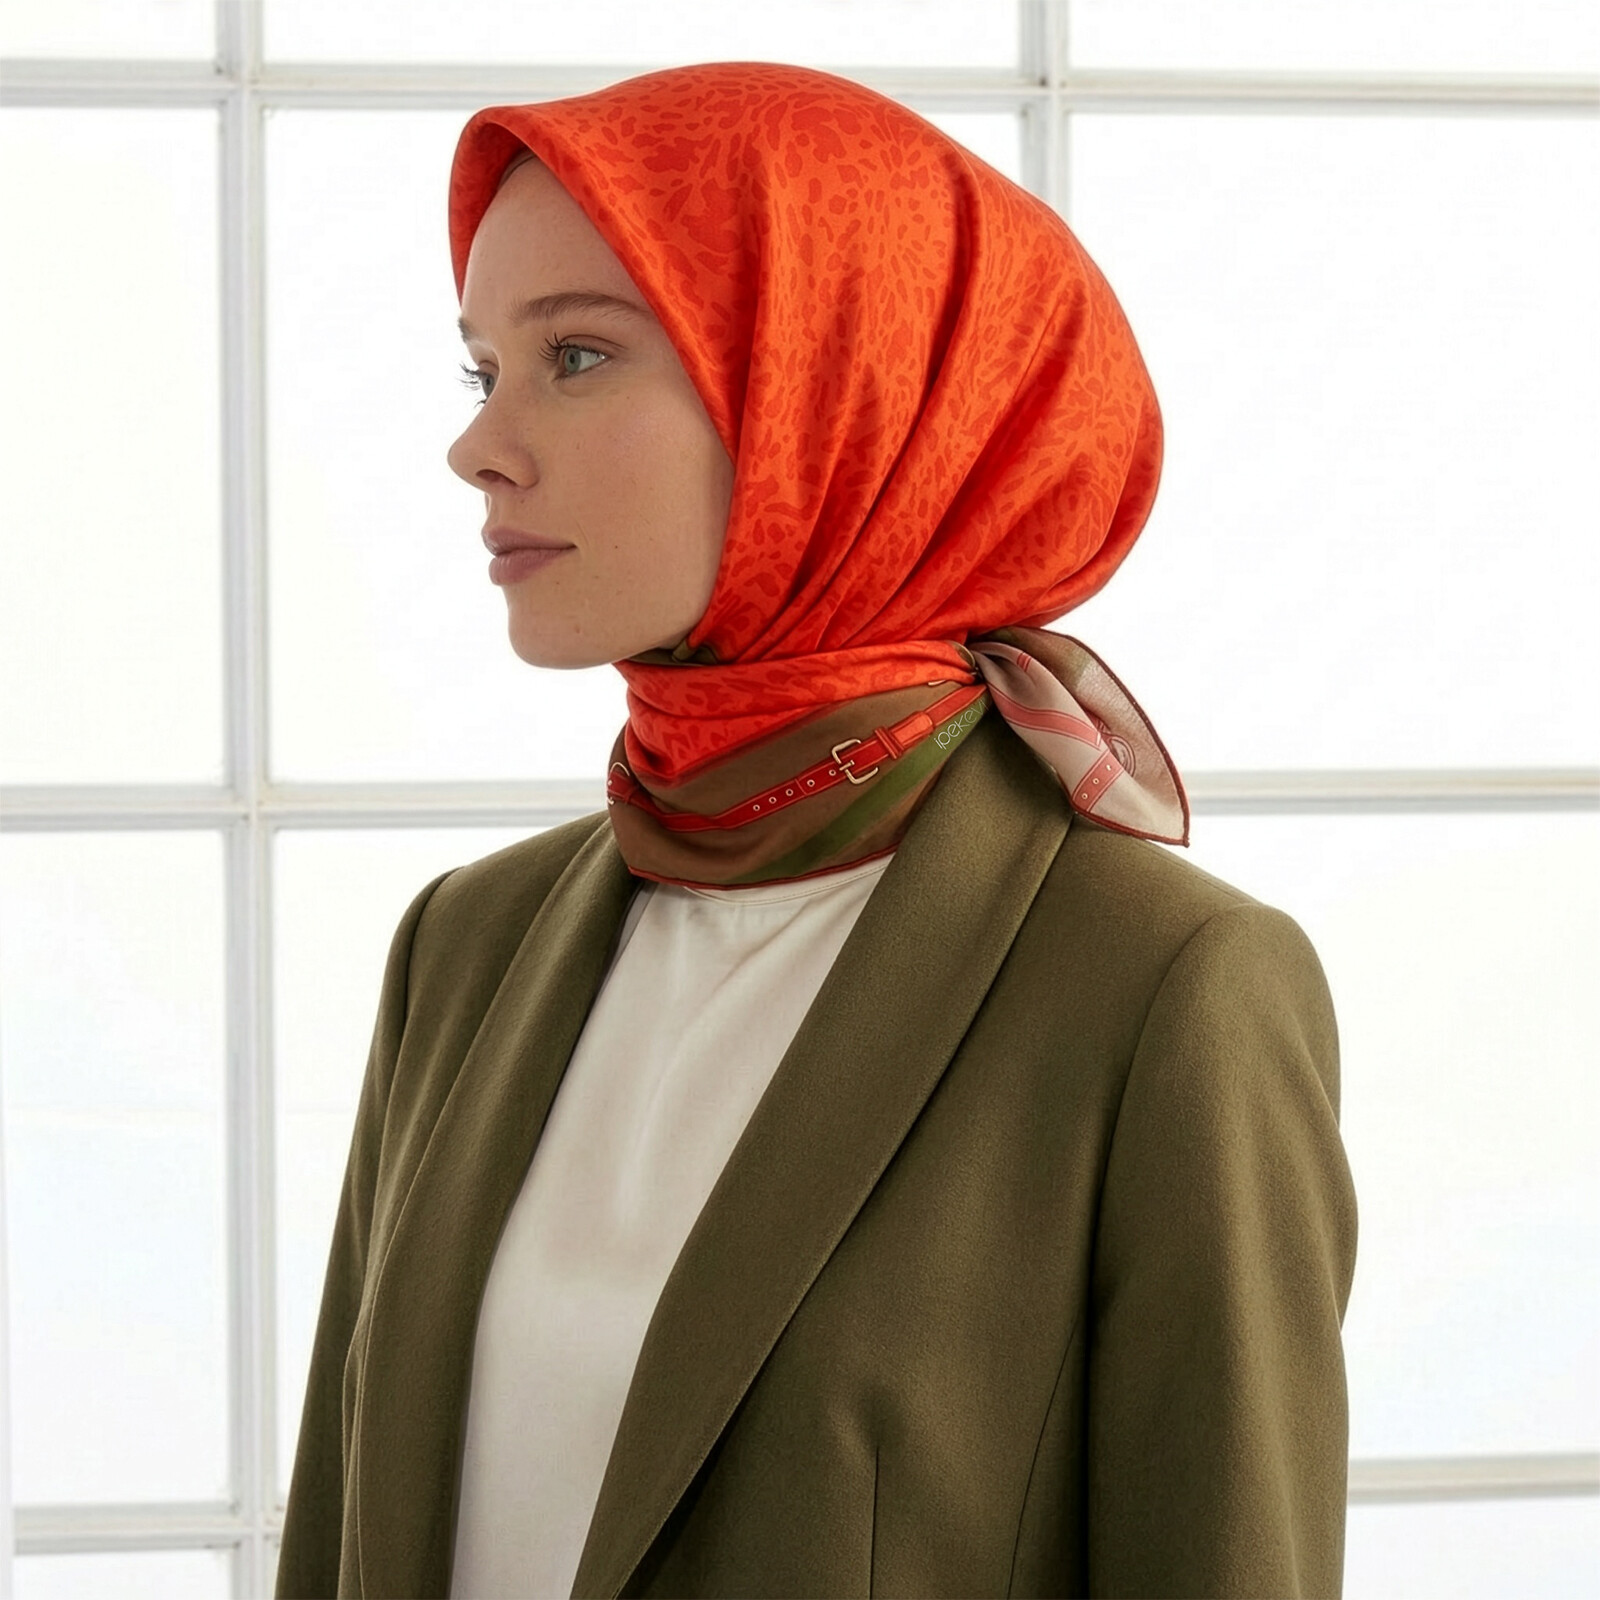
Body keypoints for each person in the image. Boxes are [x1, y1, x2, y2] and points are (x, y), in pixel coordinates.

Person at [277, 62, 1357, 1600]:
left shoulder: (1163, 991)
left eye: (576, 354)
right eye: (482, 368)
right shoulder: (464, 947)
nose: (482, 445)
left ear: (833, 392)